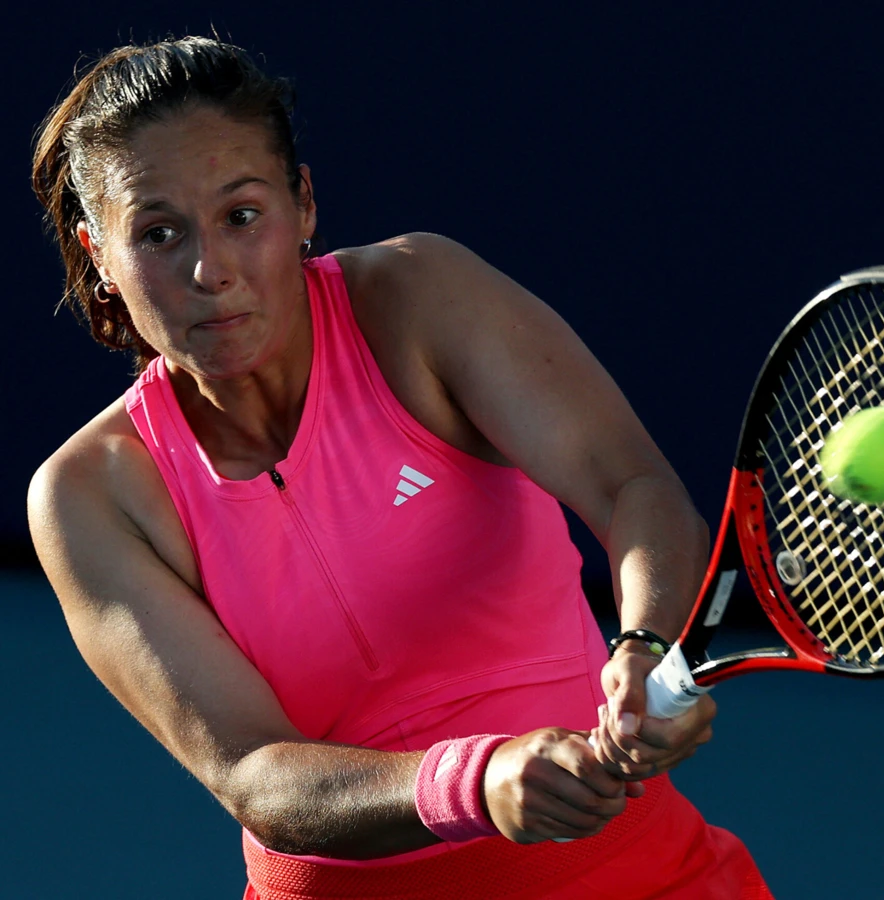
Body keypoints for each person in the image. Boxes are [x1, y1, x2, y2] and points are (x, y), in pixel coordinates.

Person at [28, 37, 773, 899]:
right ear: (99, 259)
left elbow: (631, 486)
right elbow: (254, 775)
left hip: (642, 877)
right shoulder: (89, 495)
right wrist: (479, 783)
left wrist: (645, 643)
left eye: (242, 215)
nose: (211, 271)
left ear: (303, 204)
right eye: (159, 234)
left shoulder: (422, 297)